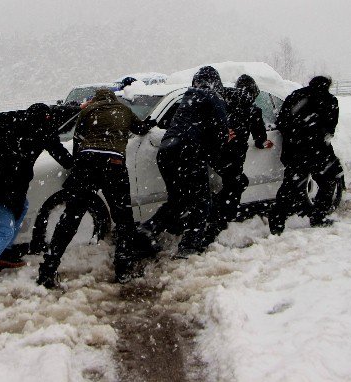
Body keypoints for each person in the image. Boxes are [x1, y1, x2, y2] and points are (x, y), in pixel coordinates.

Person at [37, 87, 156, 288]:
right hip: (113, 165)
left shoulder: (88, 111)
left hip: (87, 163)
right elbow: (140, 129)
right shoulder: (123, 109)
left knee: (71, 217)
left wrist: (78, 166)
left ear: (96, 99)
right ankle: (123, 270)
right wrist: (149, 124)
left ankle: (48, 269)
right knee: (123, 218)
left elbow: (78, 139)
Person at [0, 103, 74, 290]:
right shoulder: (42, 128)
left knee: (23, 207)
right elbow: (59, 152)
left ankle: (4, 254)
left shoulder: (6, 118)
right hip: (0, 184)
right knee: (3, 230)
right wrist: (78, 166)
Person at [141, 66, 229, 258]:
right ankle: (189, 247)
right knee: (202, 201)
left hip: (166, 152)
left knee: (178, 200)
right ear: (216, 82)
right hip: (189, 152)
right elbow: (221, 132)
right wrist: (215, 157)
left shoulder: (187, 99)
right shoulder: (213, 97)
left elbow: (182, 125)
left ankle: (149, 228)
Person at [268, 75, 342, 235]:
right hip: (318, 152)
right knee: (328, 182)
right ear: (327, 86)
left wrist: (294, 137)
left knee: (291, 186)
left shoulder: (296, 96)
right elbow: (330, 129)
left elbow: (281, 122)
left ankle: (276, 221)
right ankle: (319, 216)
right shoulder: (330, 101)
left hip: (295, 151)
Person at [208, 74, 273, 238]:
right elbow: (259, 140)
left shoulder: (223, 99)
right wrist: (265, 143)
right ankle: (218, 221)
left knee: (234, 183)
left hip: (214, 151)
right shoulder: (253, 109)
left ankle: (215, 212)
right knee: (236, 184)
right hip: (233, 155)